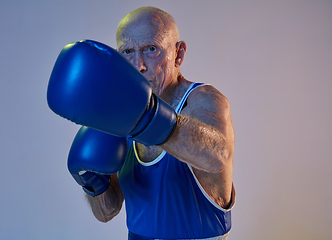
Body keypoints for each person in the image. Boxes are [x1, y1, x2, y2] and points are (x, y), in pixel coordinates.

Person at [47, 6, 235, 240]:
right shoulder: (119, 117)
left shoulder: (203, 101)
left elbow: (217, 156)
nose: (139, 65)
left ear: (179, 54)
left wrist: (147, 117)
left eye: (151, 49)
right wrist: (92, 182)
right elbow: (107, 211)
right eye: (127, 51)